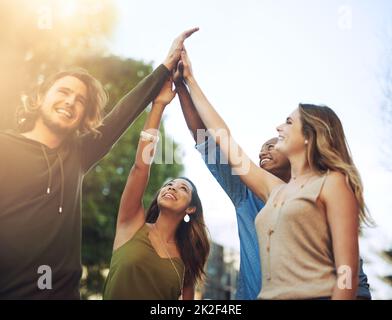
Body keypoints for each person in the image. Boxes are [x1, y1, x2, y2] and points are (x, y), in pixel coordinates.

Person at [0, 28, 199, 299]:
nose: (70, 102)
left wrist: (165, 67)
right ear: (40, 97)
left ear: (84, 115)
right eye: (63, 92)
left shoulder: (78, 154)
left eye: (80, 100)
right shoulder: (5, 147)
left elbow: (123, 113)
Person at [176, 49, 373, 299]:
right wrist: (189, 81)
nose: (279, 127)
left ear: (309, 137)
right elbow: (222, 138)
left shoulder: (332, 184)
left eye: (289, 122)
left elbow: (347, 272)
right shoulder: (273, 191)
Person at [103, 77, 210, 300]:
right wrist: (158, 105)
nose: (172, 187)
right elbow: (140, 168)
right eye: (169, 184)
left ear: (190, 209)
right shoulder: (132, 224)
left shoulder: (186, 261)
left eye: (183, 188)